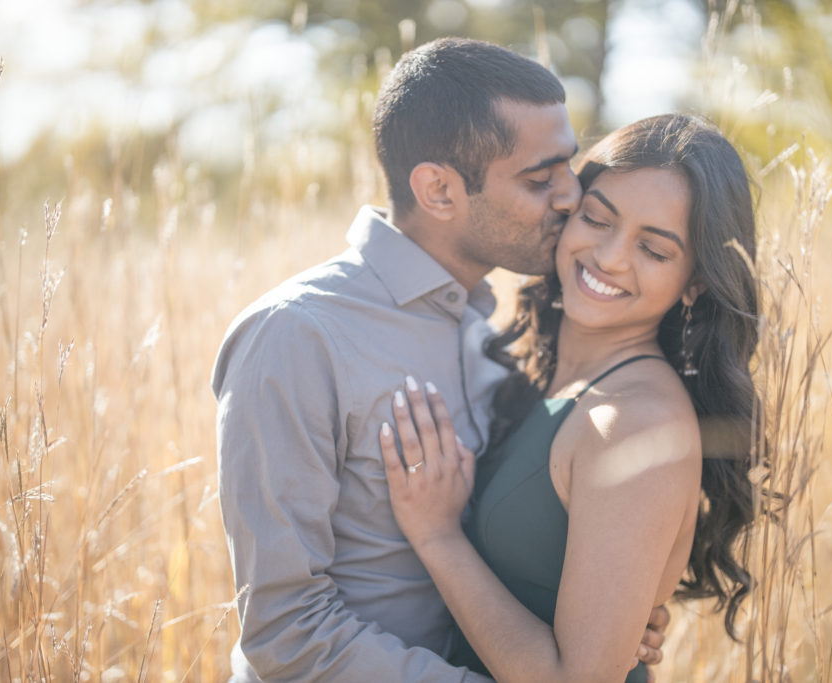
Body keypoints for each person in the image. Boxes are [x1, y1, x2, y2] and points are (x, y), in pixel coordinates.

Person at [212, 38, 667, 682]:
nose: (572, 196)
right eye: (540, 178)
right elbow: (285, 633)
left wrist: (599, 618)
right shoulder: (297, 336)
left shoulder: (488, 329)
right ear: (439, 190)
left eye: (569, 165)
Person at [380, 113, 759, 682]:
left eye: (654, 250)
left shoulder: (632, 422)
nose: (609, 257)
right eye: (597, 218)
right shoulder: (550, 373)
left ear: (696, 282)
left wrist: (438, 537)